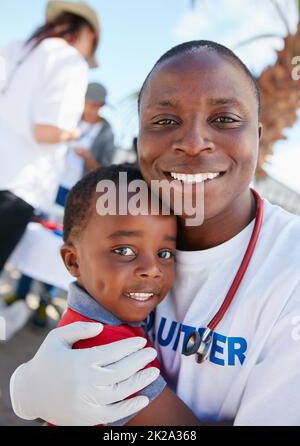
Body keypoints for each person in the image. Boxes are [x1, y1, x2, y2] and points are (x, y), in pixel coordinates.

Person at [9, 41, 300, 426]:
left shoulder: (289, 267)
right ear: (139, 142)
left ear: (258, 137)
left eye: (225, 118)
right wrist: (25, 391)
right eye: (164, 121)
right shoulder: (121, 230)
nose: (194, 142)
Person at [47, 164, 199, 426]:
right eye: (124, 251)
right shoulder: (108, 351)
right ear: (73, 261)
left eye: (165, 254)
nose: (152, 269)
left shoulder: (84, 325)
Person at [0, 0, 100, 273]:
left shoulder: (16, 47)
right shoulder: (71, 61)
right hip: (19, 184)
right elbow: (46, 130)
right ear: (88, 35)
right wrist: (74, 131)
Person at [55, 81, 115, 207]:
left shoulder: (106, 132)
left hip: (78, 192)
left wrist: (88, 158)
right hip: (53, 181)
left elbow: (105, 172)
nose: (88, 109)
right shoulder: (70, 119)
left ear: (101, 106)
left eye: (94, 105)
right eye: (86, 103)